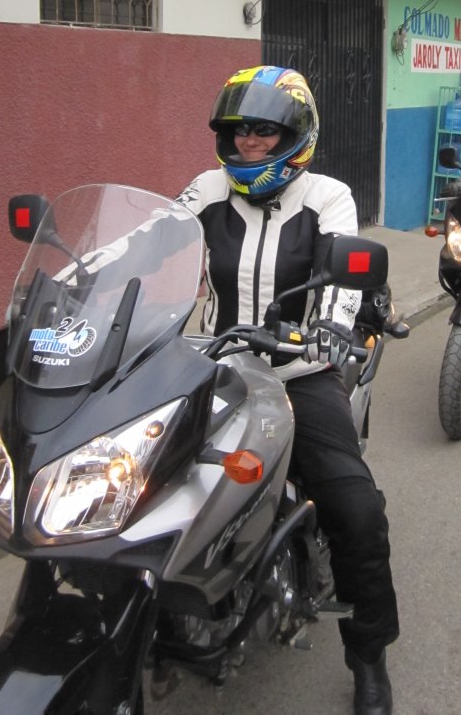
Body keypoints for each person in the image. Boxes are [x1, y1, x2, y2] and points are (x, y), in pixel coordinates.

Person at [177, 65, 398, 715]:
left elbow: (340, 276)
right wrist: (92, 284)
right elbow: (154, 242)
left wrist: (327, 331)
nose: (248, 143)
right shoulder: (205, 188)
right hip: (212, 370)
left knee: (357, 512)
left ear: (294, 134)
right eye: (239, 130)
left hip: (297, 373)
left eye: (265, 131)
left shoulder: (326, 196)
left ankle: (368, 656)